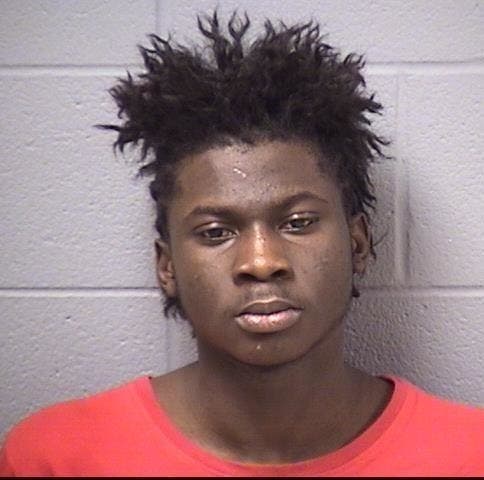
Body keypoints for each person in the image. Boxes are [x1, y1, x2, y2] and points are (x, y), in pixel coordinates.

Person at [1, 11, 483, 477]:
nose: (261, 262)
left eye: (297, 222)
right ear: (167, 267)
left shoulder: (469, 455)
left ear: (358, 244)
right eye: (216, 232)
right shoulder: (55, 458)